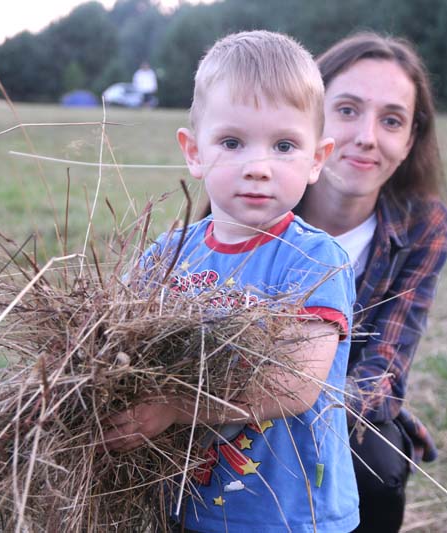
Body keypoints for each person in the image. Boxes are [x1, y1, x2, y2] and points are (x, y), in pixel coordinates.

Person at [102, 30, 360, 532]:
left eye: (284, 145)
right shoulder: (168, 256)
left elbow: (295, 384)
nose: (258, 167)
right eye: (232, 142)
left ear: (317, 159)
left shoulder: (313, 259)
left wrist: (172, 408)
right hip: (185, 503)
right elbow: (113, 336)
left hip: (288, 512)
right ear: (194, 152)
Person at [295, 33, 447, 532]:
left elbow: (383, 369)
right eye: (347, 109)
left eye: (391, 120)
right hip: (223, 411)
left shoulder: (423, 225)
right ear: (309, 113)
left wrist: (291, 405)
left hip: (336, 413)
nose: (367, 136)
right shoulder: (254, 194)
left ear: (409, 141)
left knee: (378, 458)